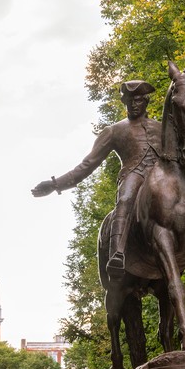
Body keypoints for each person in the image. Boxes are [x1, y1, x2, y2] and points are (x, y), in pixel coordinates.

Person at [31, 80, 161, 278]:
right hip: (134, 174)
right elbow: (87, 165)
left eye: (138, 100)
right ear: (124, 102)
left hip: (161, 179)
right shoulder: (114, 131)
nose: (134, 105)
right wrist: (55, 184)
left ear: (146, 101)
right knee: (125, 199)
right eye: (129, 101)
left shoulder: (162, 129)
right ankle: (117, 253)